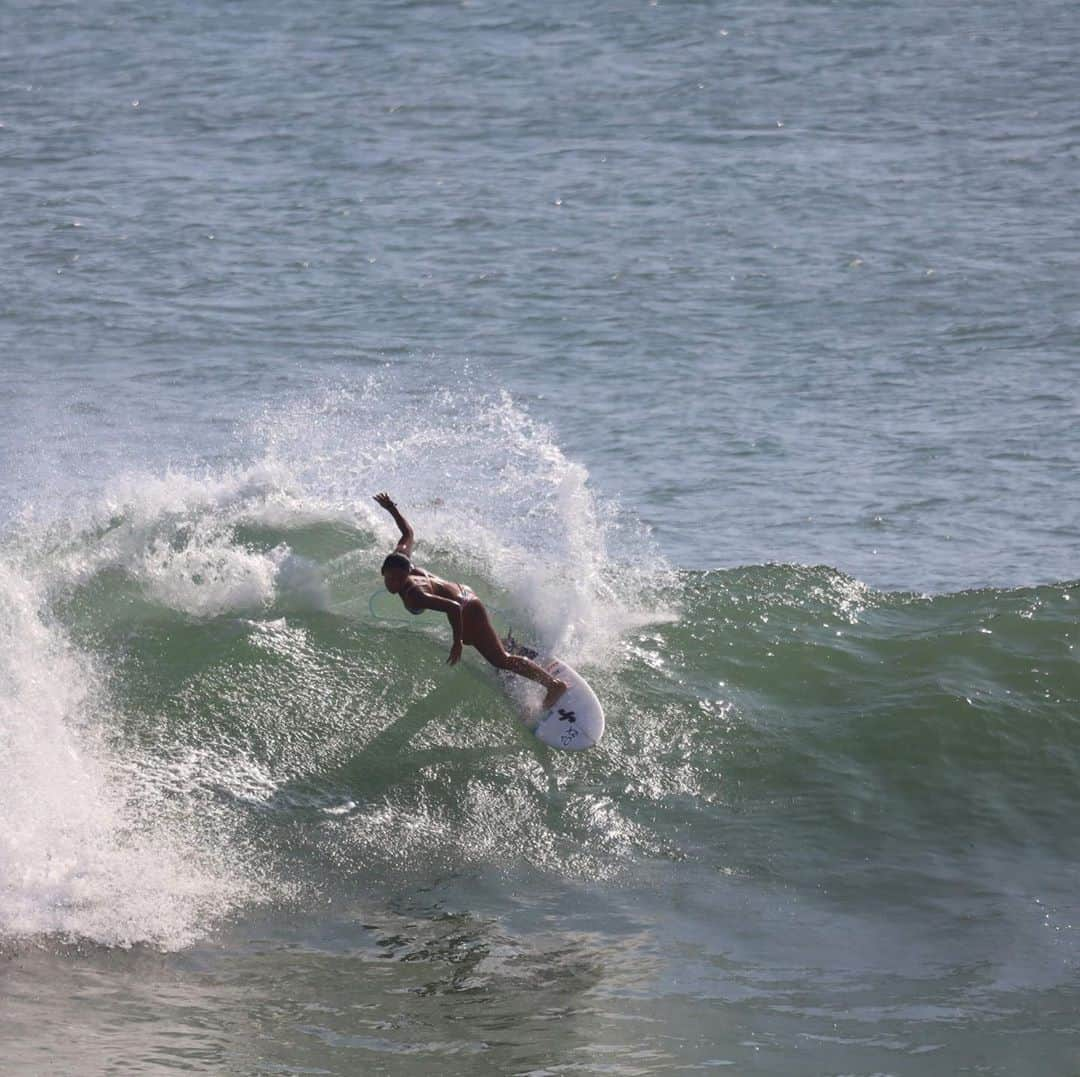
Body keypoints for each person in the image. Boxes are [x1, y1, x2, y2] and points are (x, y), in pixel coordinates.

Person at [373, 492, 568, 710]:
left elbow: (452, 607)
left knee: (499, 660)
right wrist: (391, 509)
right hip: (463, 595)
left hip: (465, 605)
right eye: (391, 578)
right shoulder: (400, 559)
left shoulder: (414, 593)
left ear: (407, 574)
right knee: (474, 638)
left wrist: (456, 643)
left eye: (400, 578)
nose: (395, 582)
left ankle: (553, 685)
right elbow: (408, 532)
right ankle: (509, 645)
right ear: (383, 571)